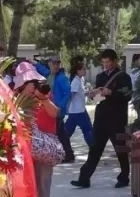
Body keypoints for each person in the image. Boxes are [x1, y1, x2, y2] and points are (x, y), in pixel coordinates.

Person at [71, 49, 133, 189]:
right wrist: (93, 94)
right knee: (94, 148)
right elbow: (99, 97)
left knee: (120, 150)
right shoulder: (100, 76)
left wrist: (111, 92)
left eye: (108, 62)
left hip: (117, 118)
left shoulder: (123, 77)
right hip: (101, 118)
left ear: (115, 61)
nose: (105, 65)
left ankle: (124, 178)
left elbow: (127, 96)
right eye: (103, 62)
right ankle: (84, 178)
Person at [13, 62, 63, 197]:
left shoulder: (43, 95)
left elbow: (55, 113)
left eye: (35, 82)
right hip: (25, 151)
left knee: (43, 188)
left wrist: (44, 99)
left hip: (44, 149)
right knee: (27, 189)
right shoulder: (15, 100)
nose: (33, 86)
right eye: (30, 83)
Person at [48, 56, 75, 163]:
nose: (56, 66)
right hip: (52, 108)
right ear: (49, 64)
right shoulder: (50, 75)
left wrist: (60, 106)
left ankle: (67, 155)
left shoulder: (61, 77)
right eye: (54, 63)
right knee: (61, 132)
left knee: (60, 133)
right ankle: (68, 154)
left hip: (57, 109)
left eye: (57, 64)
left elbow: (68, 93)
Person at [63, 59, 93, 147]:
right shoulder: (76, 81)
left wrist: (90, 93)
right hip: (78, 111)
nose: (85, 70)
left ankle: (60, 145)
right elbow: (72, 94)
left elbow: (80, 93)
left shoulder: (81, 79)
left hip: (78, 110)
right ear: (78, 71)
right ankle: (93, 147)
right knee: (88, 129)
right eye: (83, 69)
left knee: (67, 131)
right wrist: (66, 106)